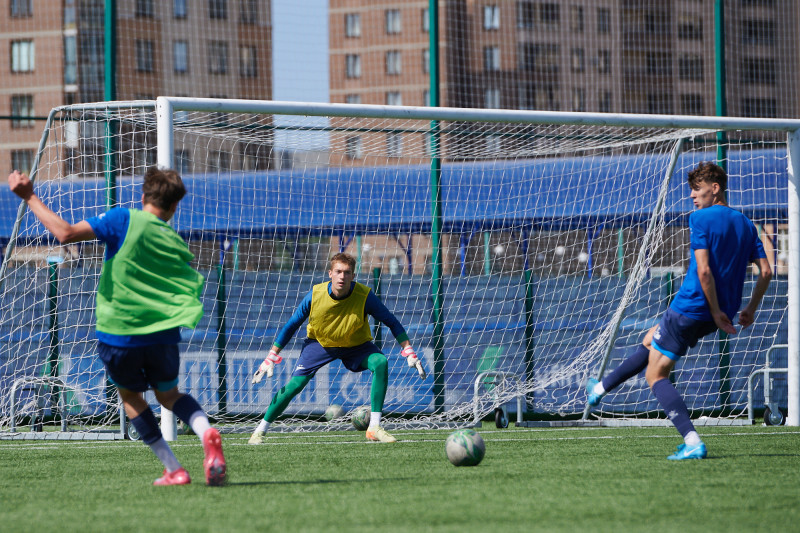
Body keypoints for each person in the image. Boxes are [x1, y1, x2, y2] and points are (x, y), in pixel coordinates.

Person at [8, 167, 226, 486]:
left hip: (120, 334)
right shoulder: (172, 239)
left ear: (143, 197)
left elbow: (65, 233)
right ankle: (206, 431)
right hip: (163, 335)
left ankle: (174, 470)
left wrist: (29, 196)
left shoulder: (123, 219)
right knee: (170, 397)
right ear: (174, 207)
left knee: (132, 399)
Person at [585, 161, 772, 460]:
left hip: (693, 306)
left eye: (697, 190)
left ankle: (692, 439)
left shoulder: (699, 219)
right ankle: (601, 387)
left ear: (715, 188)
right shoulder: (747, 224)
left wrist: (711, 310)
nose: (692, 197)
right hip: (722, 312)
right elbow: (765, 272)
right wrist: (749, 308)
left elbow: (704, 271)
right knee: (651, 340)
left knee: (655, 375)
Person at [249, 252, 425, 444]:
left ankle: (374, 427)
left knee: (381, 362)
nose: (342, 276)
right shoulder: (315, 295)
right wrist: (271, 356)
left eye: (347, 272)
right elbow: (291, 325)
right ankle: (259, 431)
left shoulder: (365, 296)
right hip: (320, 344)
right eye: (338, 272)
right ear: (330, 273)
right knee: (295, 385)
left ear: (353, 276)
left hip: (355, 345)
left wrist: (408, 350)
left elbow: (392, 321)